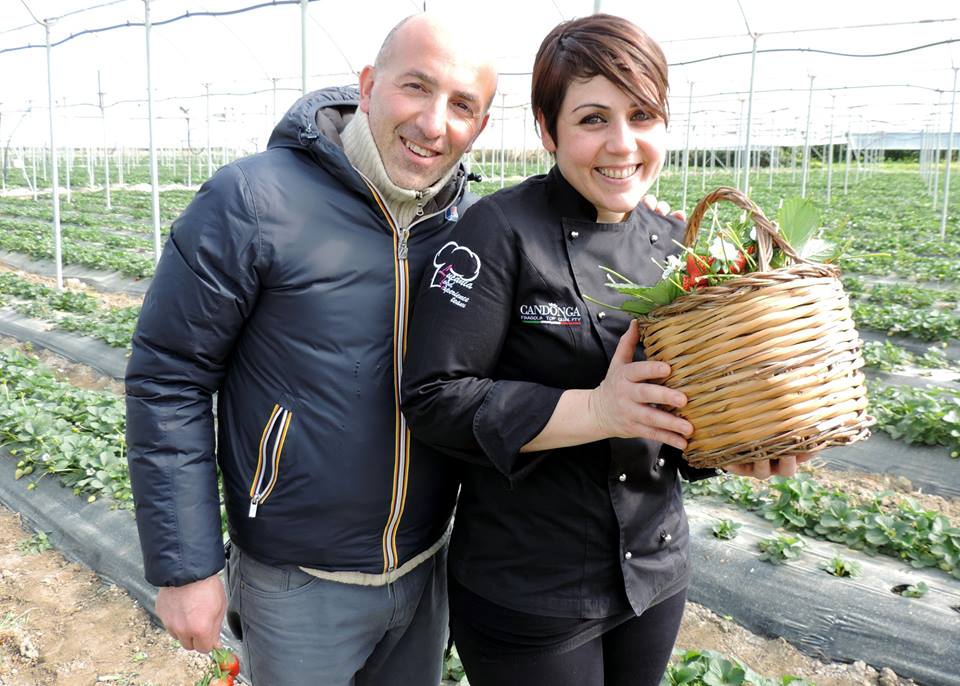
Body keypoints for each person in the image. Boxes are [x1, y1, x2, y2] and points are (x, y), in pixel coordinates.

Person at [400, 14, 810, 686]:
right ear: (547, 129)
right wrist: (597, 410)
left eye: (642, 115)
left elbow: (679, 416)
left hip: (655, 572)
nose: (622, 143)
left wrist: (737, 443)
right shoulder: (497, 231)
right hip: (529, 589)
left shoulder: (674, 245)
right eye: (593, 119)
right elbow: (435, 399)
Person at [124, 13, 498, 686]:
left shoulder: (474, 227)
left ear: (481, 125)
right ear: (369, 86)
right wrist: (186, 567)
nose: (433, 123)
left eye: (462, 105)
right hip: (295, 581)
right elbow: (169, 377)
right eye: (416, 87)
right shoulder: (252, 200)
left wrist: (642, 239)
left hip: (426, 567)